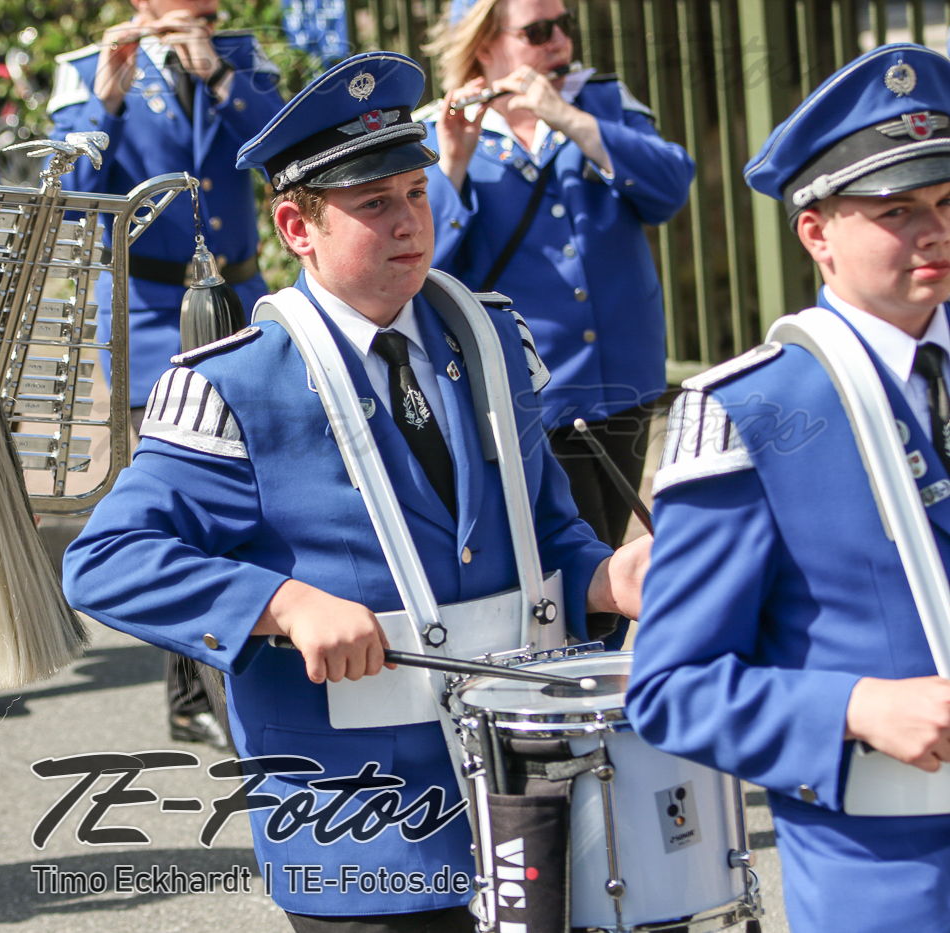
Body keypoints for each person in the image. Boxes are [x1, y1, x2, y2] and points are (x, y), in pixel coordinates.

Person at [63, 51, 647, 931]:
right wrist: (283, 604)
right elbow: (106, 562)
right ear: (296, 227)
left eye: (415, 192)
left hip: (526, 792)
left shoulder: (494, 339)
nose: (410, 220)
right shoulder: (233, 383)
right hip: (360, 819)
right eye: (374, 204)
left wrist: (608, 577)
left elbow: (545, 536)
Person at [626, 42, 950, 933]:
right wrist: (854, 705)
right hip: (886, 874)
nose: (933, 230)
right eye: (896, 210)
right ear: (817, 233)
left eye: (946, 201)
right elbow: (671, 689)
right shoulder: (751, 411)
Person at [48, 0, 283, 748]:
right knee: (180, 501)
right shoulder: (88, 69)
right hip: (147, 311)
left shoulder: (240, 59)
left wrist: (218, 77)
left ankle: (212, 685)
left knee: (250, 491)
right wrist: (105, 102)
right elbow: (68, 190)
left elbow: (283, 153)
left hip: (237, 296)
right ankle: (194, 694)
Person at [424, 0, 693, 551]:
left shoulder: (602, 101)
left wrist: (571, 120)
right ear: (485, 43)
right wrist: (452, 165)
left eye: (564, 25)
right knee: (574, 560)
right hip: (531, 391)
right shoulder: (442, 127)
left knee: (615, 541)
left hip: (624, 373)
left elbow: (670, 190)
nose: (561, 43)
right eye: (538, 31)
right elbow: (423, 267)